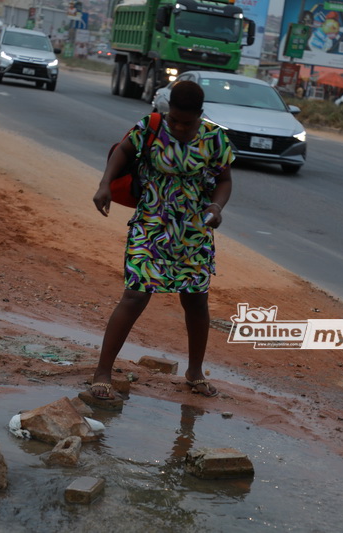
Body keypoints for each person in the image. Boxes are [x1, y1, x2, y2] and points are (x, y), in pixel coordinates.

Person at [90, 80, 234, 400]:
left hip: (194, 232)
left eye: (188, 122)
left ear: (200, 115)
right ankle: (102, 372)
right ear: (168, 113)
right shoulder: (151, 127)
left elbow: (224, 180)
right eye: (175, 120)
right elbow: (122, 152)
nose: (180, 127)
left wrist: (216, 206)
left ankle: (195, 372)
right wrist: (104, 184)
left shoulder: (214, 138)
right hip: (151, 224)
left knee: (195, 301)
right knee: (135, 295)